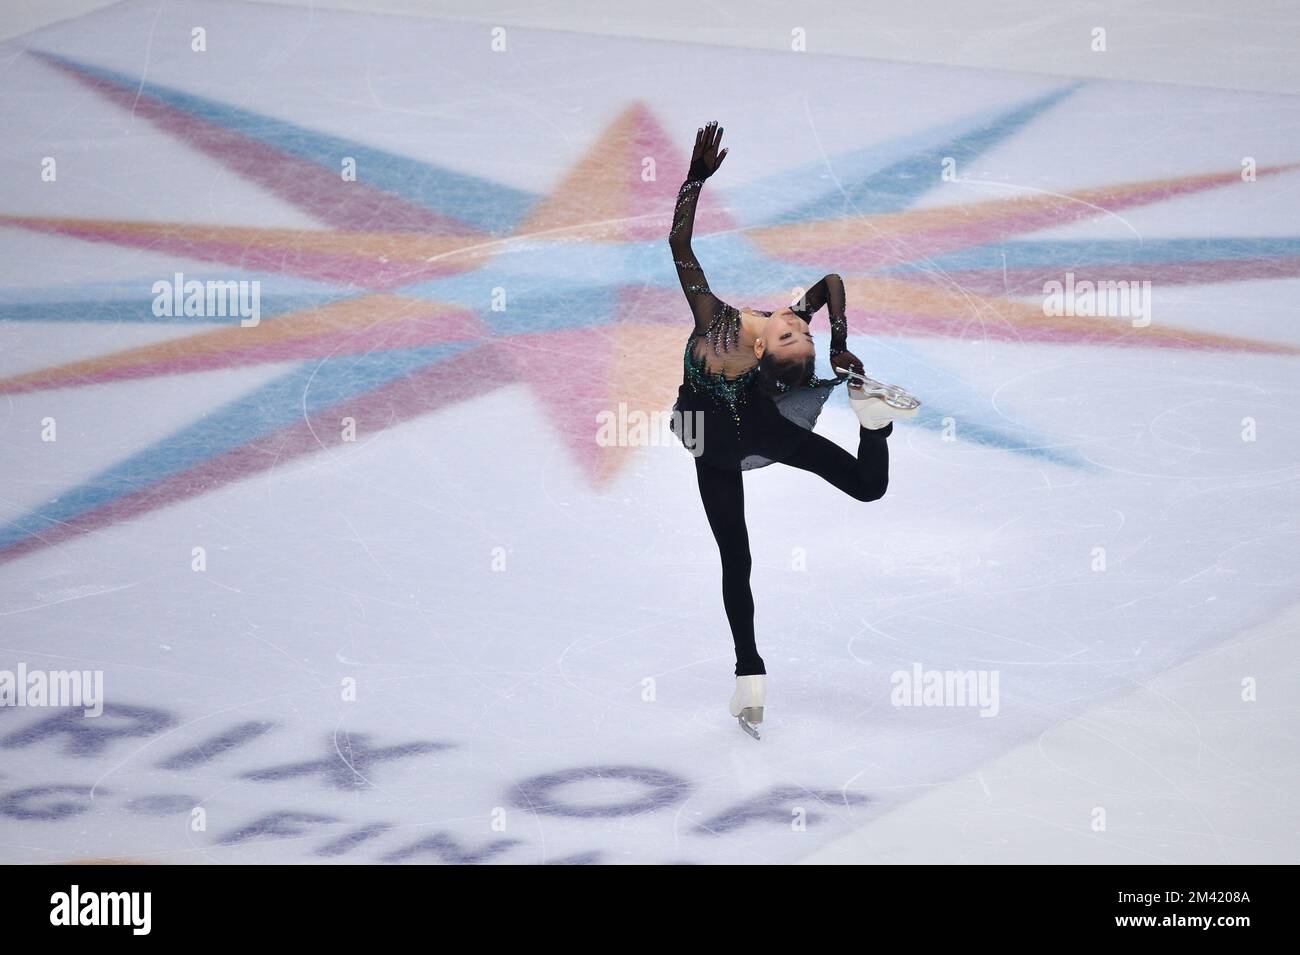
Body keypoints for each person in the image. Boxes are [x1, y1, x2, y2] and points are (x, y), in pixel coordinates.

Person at [667, 121, 919, 739]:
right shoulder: (749, 332)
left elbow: (681, 246)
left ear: (763, 357)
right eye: (796, 329)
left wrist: (695, 180)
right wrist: (837, 343)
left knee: (736, 556)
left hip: (710, 441)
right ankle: (874, 424)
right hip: (757, 430)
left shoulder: (721, 323)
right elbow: (830, 285)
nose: (794, 320)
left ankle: (748, 674)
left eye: (794, 331)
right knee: (866, 485)